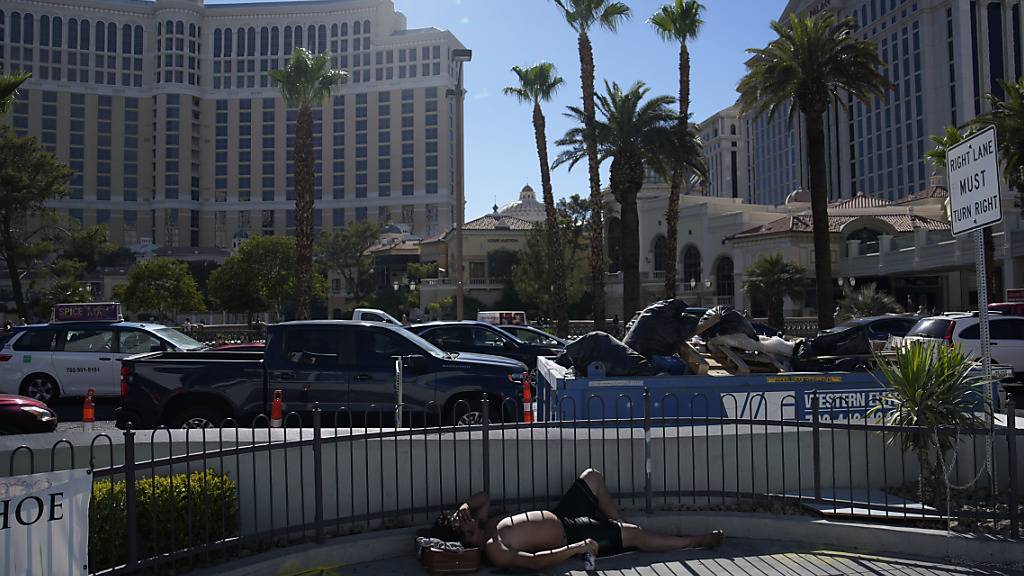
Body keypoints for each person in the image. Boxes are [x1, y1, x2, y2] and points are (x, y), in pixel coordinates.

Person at [431, 468, 723, 570]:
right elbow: (535, 561)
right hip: (569, 535)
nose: (469, 518)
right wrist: (576, 548)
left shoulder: (484, 523)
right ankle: (694, 541)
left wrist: (465, 505)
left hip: (562, 514)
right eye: (464, 522)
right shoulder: (493, 548)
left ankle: (617, 528)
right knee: (633, 534)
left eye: (465, 517)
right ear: (465, 538)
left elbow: (483, 495)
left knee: (591, 477)